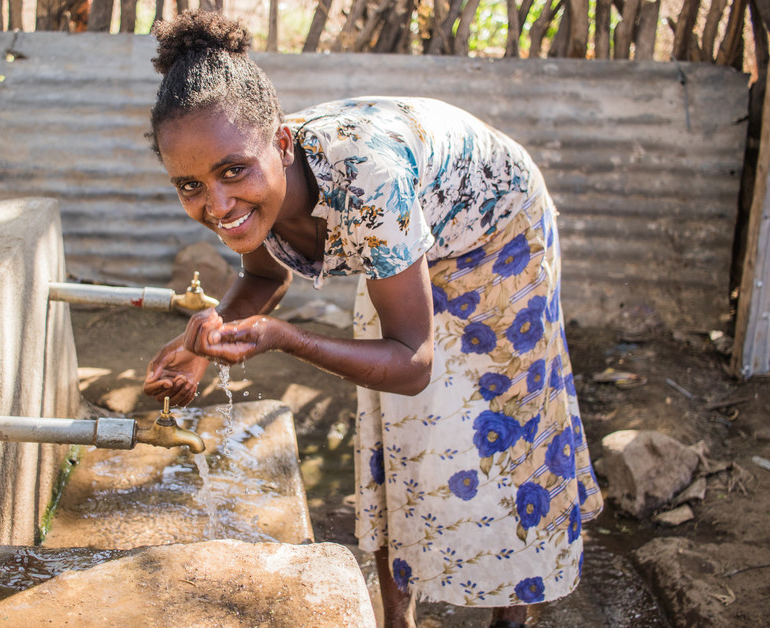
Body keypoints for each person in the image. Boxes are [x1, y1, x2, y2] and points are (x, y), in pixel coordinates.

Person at [142, 10, 603, 628]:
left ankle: (513, 612)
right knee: (395, 424)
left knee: (505, 425)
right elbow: (262, 277)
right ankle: (396, 616)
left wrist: (285, 339)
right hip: (412, 230)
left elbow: (412, 362)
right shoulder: (257, 191)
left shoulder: (367, 187)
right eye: (189, 185)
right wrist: (204, 343)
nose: (217, 205)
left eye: (232, 172)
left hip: (498, 232)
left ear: (281, 144)